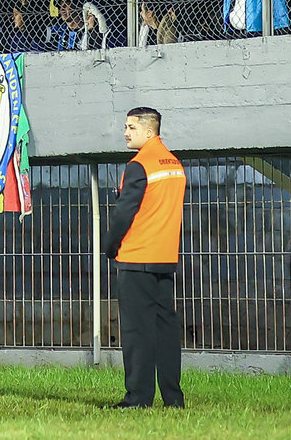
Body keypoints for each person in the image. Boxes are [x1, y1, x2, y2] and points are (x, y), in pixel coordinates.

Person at [102, 106, 184, 409]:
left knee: (137, 332)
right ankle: (173, 398)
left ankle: (138, 398)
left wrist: (110, 245)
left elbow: (125, 212)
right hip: (164, 257)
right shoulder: (174, 164)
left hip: (137, 258)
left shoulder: (139, 165)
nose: (125, 132)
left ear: (149, 131)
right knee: (165, 329)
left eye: (131, 127)